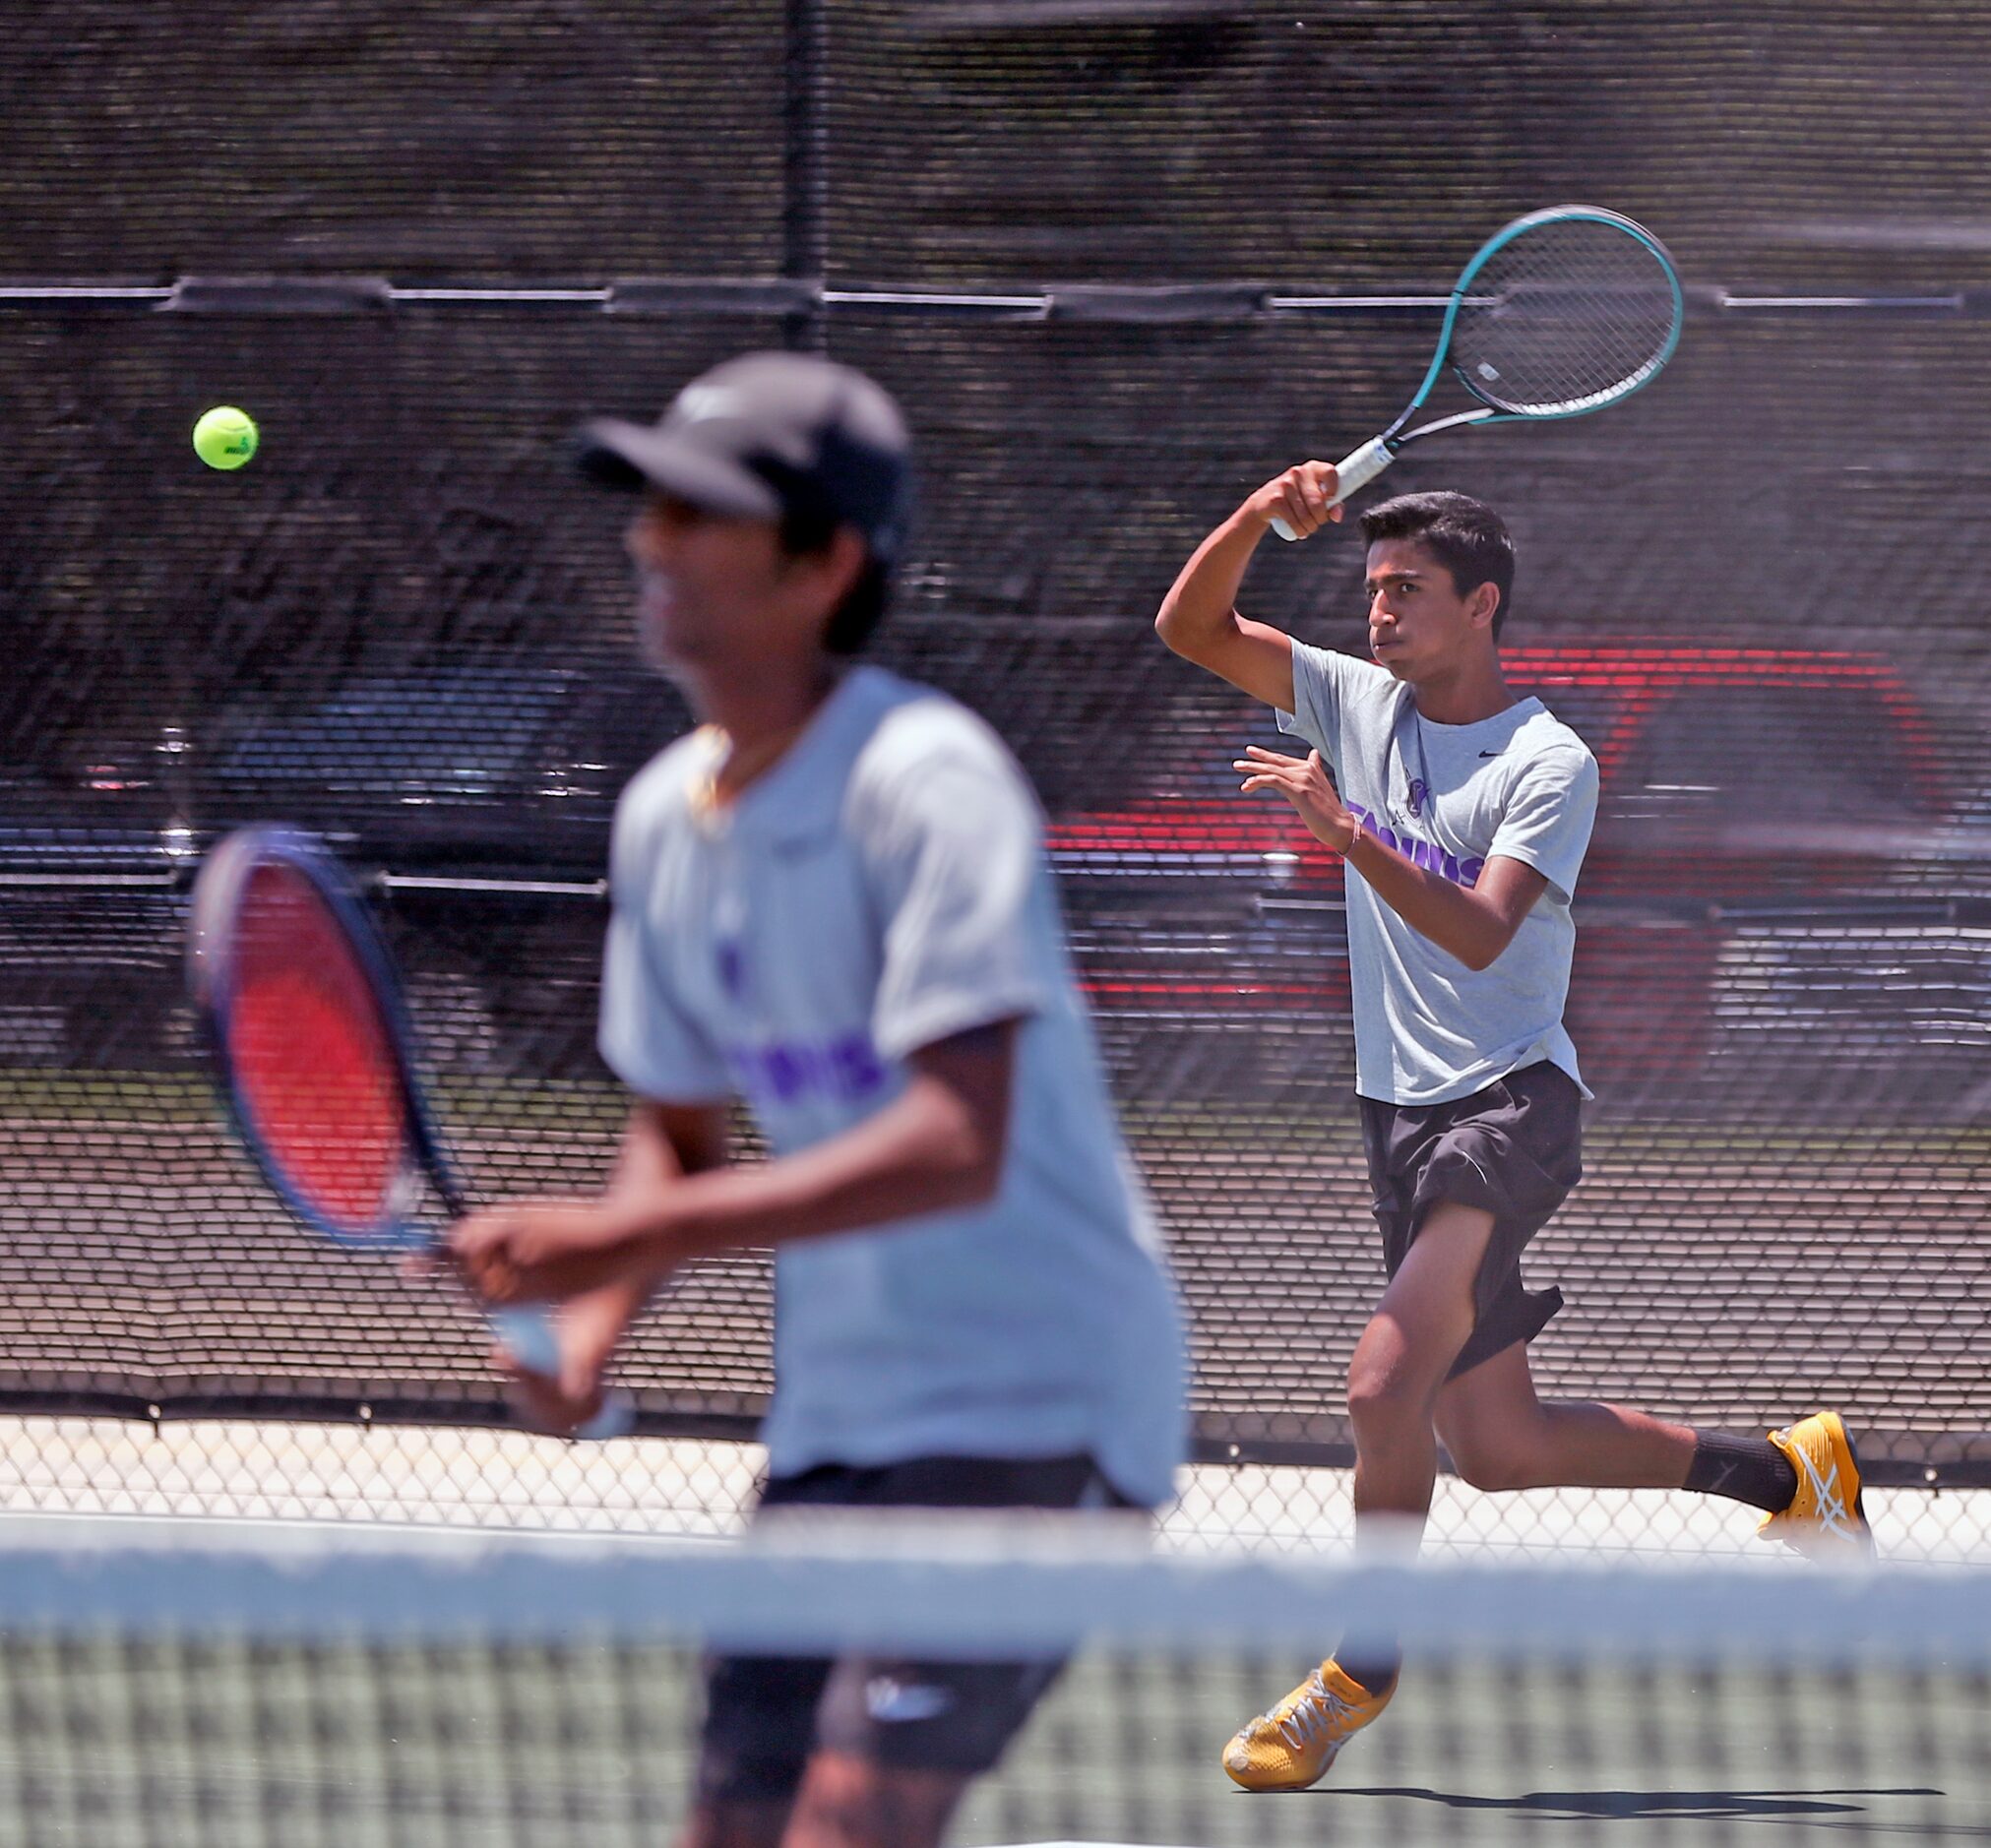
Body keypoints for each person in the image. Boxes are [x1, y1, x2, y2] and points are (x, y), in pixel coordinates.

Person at [448, 351, 1186, 1848]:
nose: (652, 541)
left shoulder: (926, 780)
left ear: (822, 561)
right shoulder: (664, 815)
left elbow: (953, 1144)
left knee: (847, 1832)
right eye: (649, 506)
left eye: (699, 513)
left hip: (1042, 1406)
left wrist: (598, 1250)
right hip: (840, 1421)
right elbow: (676, 1122)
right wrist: (588, 1335)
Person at [1153, 462, 1873, 1794]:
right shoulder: (1357, 702)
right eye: (1370, 592)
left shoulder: (1553, 761)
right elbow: (1189, 632)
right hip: (1398, 1112)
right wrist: (1260, 514)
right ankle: (1787, 1474)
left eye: (1407, 592)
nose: (1379, 616)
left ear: (1482, 605)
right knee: (1496, 1448)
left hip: (1508, 1104)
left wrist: (1345, 827)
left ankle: (1357, 1668)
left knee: (1382, 1383)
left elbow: (1483, 930)